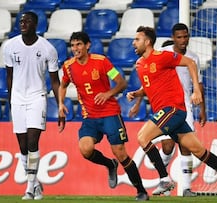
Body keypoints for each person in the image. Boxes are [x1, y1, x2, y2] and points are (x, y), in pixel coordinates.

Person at [127, 26, 217, 203]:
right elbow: (150, 86)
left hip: (173, 109)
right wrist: (137, 94)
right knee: (198, 151)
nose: (133, 43)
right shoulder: (141, 65)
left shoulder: (162, 56)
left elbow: (190, 62)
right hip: (164, 111)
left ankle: (165, 179)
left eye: (137, 39)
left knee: (143, 137)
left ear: (147, 41)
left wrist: (196, 91)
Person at [57, 31, 149, 201]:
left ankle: (140, 190)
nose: (75, 48)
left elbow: (122, 83)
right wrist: (61, 104)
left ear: (87, 45)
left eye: (79, 44)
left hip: (110, 113)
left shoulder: (101, 61)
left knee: (120, 153)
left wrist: (108, 93)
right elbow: (62, 85)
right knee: (85, 149)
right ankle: (109, 164)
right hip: (90, 117)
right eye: (72, 45)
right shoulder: (68, 66)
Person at [129, 23, 207, 197]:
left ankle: (185, 188)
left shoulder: (192, 57)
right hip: (167, 105)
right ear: (173, 38)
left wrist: (202, 108)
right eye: (179, 37)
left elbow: (199, 83)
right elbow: (148, 82)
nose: (183, 40)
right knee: (167, 145)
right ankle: (163, 178)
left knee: (186, 147)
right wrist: (137, 101)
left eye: (185, 36)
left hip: (185, 104)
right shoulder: (165, 53)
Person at [4, 11, 60, 200]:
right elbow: (9, 76)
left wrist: (60, 104)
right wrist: (11, 100)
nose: (23, 23)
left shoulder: (48, 48)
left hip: (38, 97)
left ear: (36, 24)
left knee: (32, 142)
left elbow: (54, 80)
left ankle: (29, 188)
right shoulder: (10, 46)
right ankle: (36, 184)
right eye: (21, 21)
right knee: (22, 146)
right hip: (18, 99)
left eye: (27, 21)